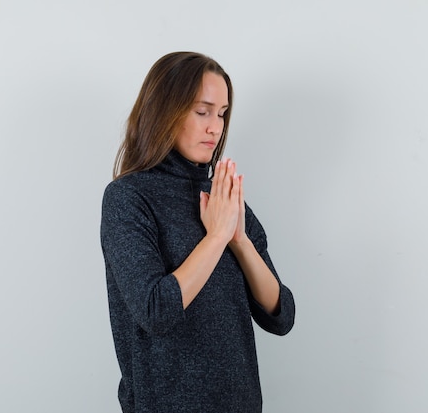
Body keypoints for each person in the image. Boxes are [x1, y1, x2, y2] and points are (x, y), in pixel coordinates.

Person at [100, 52, 296, 413]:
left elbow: (280, 315)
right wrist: (216, 238)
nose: (215, 127)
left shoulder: (221, 197)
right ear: (164, 111)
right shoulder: (128, 198)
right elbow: (155, 310)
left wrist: (238, 239)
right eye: (202, 111)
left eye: (221, 114)